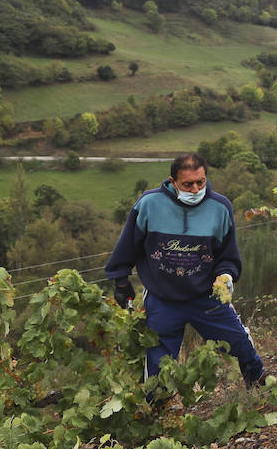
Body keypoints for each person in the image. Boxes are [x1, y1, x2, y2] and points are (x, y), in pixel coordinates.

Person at [105, 153, 264, 387]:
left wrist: (227, 275)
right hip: (162, 298)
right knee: (158, 364)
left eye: (200, 182)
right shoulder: (149, 205)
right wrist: (120, 282)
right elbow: (127, 245)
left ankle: (258, 383)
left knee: (238, 341)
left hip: (206, 296)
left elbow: (228, 256)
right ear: (173, 182)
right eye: (188, 184)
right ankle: (158, 409)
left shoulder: (220, 208)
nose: (195, 189)